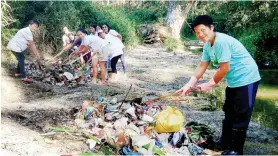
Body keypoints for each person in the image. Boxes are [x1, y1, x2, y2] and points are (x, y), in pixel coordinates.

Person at [176, 15, 261, 155]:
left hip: (247, 78)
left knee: (241, 115)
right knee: (229, 112)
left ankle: (236, 150)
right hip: (233, 81)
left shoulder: (221, 42)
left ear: (211, 28)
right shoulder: (208, 45)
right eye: (197, 32)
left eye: (203, 30)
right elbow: (202, 65)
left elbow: (224, 68)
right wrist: (189, 84)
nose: (200, 35)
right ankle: (225, 142)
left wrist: (210, 84)